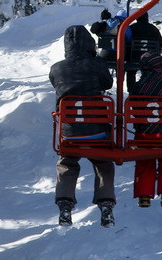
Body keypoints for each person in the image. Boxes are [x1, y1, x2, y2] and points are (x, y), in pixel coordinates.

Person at [49, 24, 115, 227]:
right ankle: (105, 204)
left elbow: (55, 83)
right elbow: (107, 83)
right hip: (96, 132)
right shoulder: (95, 65)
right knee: (103, 162)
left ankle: (65, 205)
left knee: (67, 163)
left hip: (69, 134)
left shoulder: (57, 69)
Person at [127, 52, 162, 208]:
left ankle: (144, 196)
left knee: (145, 160)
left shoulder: (139, 85)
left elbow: (133, 106)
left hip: (145, 133)